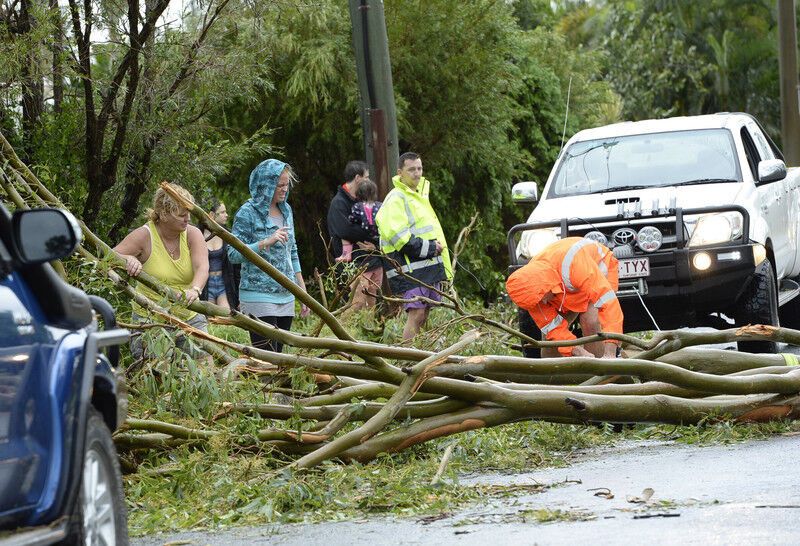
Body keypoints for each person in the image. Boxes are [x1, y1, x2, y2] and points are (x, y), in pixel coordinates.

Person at [113, 182, 209, 358]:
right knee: (158, 372)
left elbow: (202, 267)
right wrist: (129, 259)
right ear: (164, 214)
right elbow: (111, 256)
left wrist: (194, 290)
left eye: (188, 213)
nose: (187, 218)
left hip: (189, 316)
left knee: (204, 365)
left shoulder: (193, 234)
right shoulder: (144, 235)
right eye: (182, 215)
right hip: (150, 318)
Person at [228, 159, 309, 354]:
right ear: (265, 184)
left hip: (286, 295)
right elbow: (232, 255)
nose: (284, 189)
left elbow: (292, 250)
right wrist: (265, 242)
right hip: (258, 295)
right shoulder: (247, 213)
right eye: (279, 185)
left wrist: (302, 291)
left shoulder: (286, 210)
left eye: (286, 184)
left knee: (279, 357)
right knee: (266, 356)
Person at [375, 152, 452, 341]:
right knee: (416, 314)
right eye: (412, 169)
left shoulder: (417, 196)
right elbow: (399, 238)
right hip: (409, 268)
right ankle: (407, 361)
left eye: (419, 168)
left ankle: (417, 357)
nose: (417, 173)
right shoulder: (396, 198)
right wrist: (430, 248)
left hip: (424, 266)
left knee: (423, 315)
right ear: (400, 172)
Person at [506, 237, 623, 358]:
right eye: (539, 301)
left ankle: (603, 369)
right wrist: (577, 351)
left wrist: (610, 351)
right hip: (567, 287)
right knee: (549, 338)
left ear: (546, 285)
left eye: (542, 297)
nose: (544, 302)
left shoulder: (574, 265)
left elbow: (609, 305)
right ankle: (554, 375)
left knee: (590, 321)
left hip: (597, 270)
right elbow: (554, 330)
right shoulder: (531, 292)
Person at [327, 160, 384, 310]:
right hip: (352, 263)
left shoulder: (366, 200)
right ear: (358, 178)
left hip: (372, 260)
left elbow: (381, 226)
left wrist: (376, 243)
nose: (369, 181)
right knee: (356, 304)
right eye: (367, 177)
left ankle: (368, 333)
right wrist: (370, 234)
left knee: (371, 304)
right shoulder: (338, 203)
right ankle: (342, 332)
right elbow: (345, 230)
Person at [200, 199, 240, 312]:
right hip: (206, 284)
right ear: (211, 215)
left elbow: (237, 267)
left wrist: (239, 295)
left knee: (226, 317)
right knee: (209, 320)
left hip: (224, 283)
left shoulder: (228, 235)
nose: (226, 215)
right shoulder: (198, 234)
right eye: (222, 212)